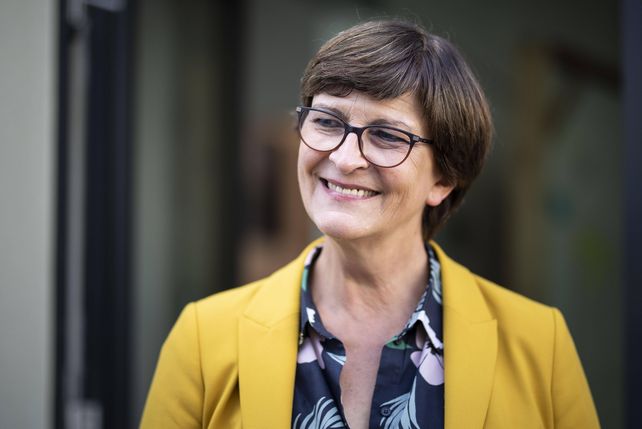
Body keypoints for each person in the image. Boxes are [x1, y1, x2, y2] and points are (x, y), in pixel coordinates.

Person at [140, 20, 599, 429]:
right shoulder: (203, 339)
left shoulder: (539, 345)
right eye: (327, 121)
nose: (344, 158)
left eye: (386, 135)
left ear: (443, 178)